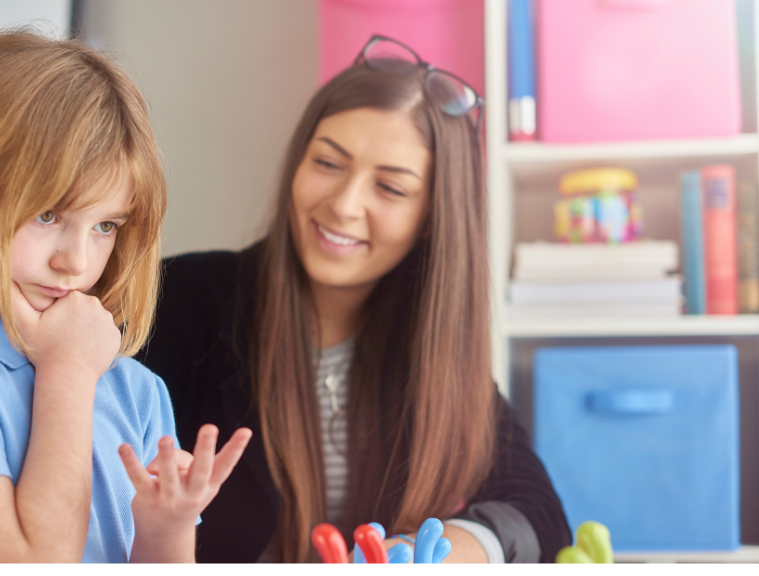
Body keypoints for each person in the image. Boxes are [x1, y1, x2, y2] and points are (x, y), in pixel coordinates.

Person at [135, 35, 570, 563]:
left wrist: (437, 553)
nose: (343, 206)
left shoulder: (432, 345)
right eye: (327, 163)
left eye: (390, 188)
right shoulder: (178, 300)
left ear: (433, 217)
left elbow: (538, 513)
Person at [0, 28, 251, 563]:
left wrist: (165, 530)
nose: (75, 262)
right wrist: (68, 373)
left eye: (105, 226)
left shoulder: (136, 392)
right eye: (48, 214)